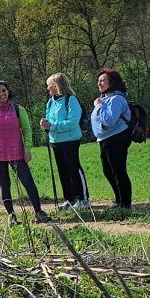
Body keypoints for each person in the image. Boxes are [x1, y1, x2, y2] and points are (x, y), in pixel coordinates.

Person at [0, 81, 49, 224]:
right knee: (4, 185)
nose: (2, 94)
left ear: (8, 91)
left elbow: (27, 130)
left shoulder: (18, 109)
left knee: (28, 182)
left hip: (17, 153)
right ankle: (11, 216)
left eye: (4, 90)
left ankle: (38, 212)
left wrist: (27, 150)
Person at [42, 73, 90, 210]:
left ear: (56, 86)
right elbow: (49, 119)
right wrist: (45, 123)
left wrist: (53, 126)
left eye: (49, 85)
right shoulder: (51, 102)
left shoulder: (71, 100)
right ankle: (69, 199)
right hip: (56, 141)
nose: (47, 88)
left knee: (74, 168)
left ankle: (83, 199)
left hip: (70, 140)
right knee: (63, 171)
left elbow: (73, 122)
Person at [91, 68, 132, 211]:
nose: (99, 83)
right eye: (98, 81)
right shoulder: (105, 99)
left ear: (112, 82)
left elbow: (109, 120)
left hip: (116, 138)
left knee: (118, 171)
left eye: (103, 80)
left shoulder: (116, 99)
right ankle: (118, 200)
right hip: (104, 139)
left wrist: (98, 106)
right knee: (108, 171)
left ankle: (125, 204)